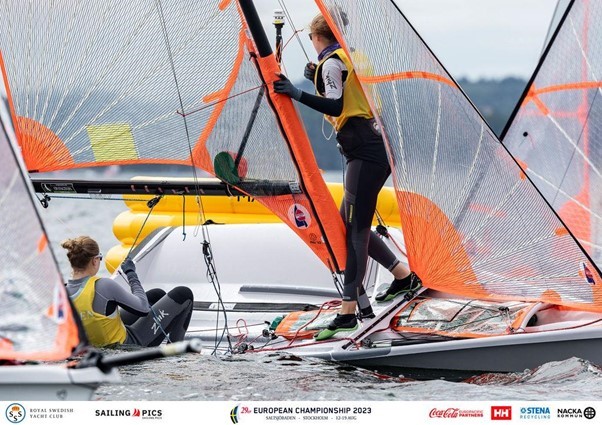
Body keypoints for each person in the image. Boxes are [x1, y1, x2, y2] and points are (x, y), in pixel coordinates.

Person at [273, 14, 422, 341]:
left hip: (366, 152)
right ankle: (403, 276)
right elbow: (348, 86)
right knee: (349, 223)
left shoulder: (331, 63)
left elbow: (337, 106)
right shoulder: (353, 57)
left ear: (317, 37)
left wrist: (296, 93)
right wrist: (317, 77)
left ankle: (347, 313)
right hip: (375, 147)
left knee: (354, 230)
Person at [62, 236, 193, 347]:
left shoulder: (62, 292)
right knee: (183, 294)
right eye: (100, 258)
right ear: (95, 261)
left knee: (156, 295)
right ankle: (177, 352)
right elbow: (143, 309)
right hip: (128, 346)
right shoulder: (103, 285)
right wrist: (131, 274)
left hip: (97, 345)